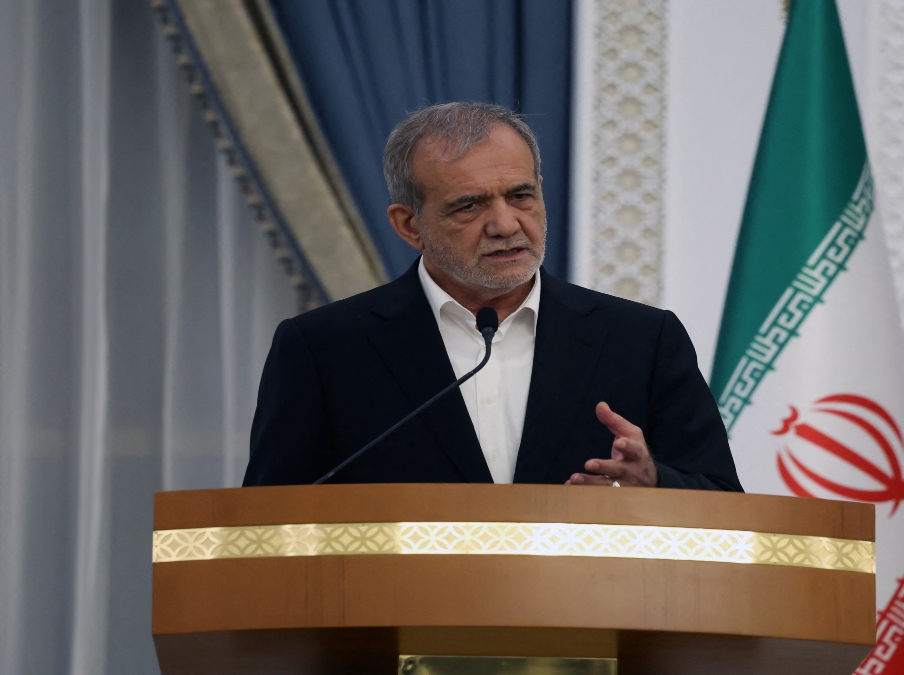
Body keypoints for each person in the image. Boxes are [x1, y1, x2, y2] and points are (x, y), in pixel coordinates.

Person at [243, 102, 741, 491]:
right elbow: (271, 522)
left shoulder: (642, 340)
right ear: (409, 225)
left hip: (588, 615)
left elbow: (720, 498)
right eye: (469, 205)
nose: (505, 225)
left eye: (521, 196)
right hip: (400, 617)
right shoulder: (325, 348)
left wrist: (654, 483)